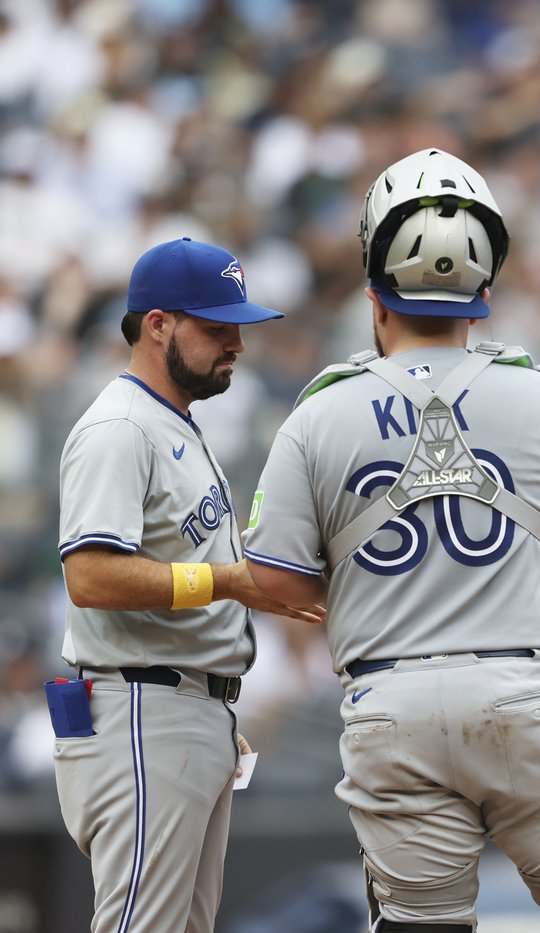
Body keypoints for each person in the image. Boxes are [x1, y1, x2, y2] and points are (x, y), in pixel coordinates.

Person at [242, 148, 540, 933]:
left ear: (373, 286)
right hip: (526, 693)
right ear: (485, 289)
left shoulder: (319, 411)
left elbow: (275, 581)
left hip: (390, 702)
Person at [54, 237, 320, 933]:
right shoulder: (120, 426)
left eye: (238, 325)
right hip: (142, 707)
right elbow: (88, 574)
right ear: (158, 324)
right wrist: (229, 581)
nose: (236, 342)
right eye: (216, 326)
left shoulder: (174, 422)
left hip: (185, 704)